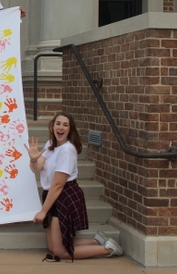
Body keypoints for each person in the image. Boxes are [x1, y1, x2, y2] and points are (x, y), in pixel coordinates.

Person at [24, 112, 123, 261]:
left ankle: (108, 249)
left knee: (59, 252)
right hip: (53, 195)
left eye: (65, 125)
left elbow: (58, 184)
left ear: (70, 129)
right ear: (52, 126)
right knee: (52, 247)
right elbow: (37, 169)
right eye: (58, 123)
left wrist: (43, 211)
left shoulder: (67, 150)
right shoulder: (50, 144)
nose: (61, 127)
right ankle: (97, 240)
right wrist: (33, 160)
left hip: (65, 196)